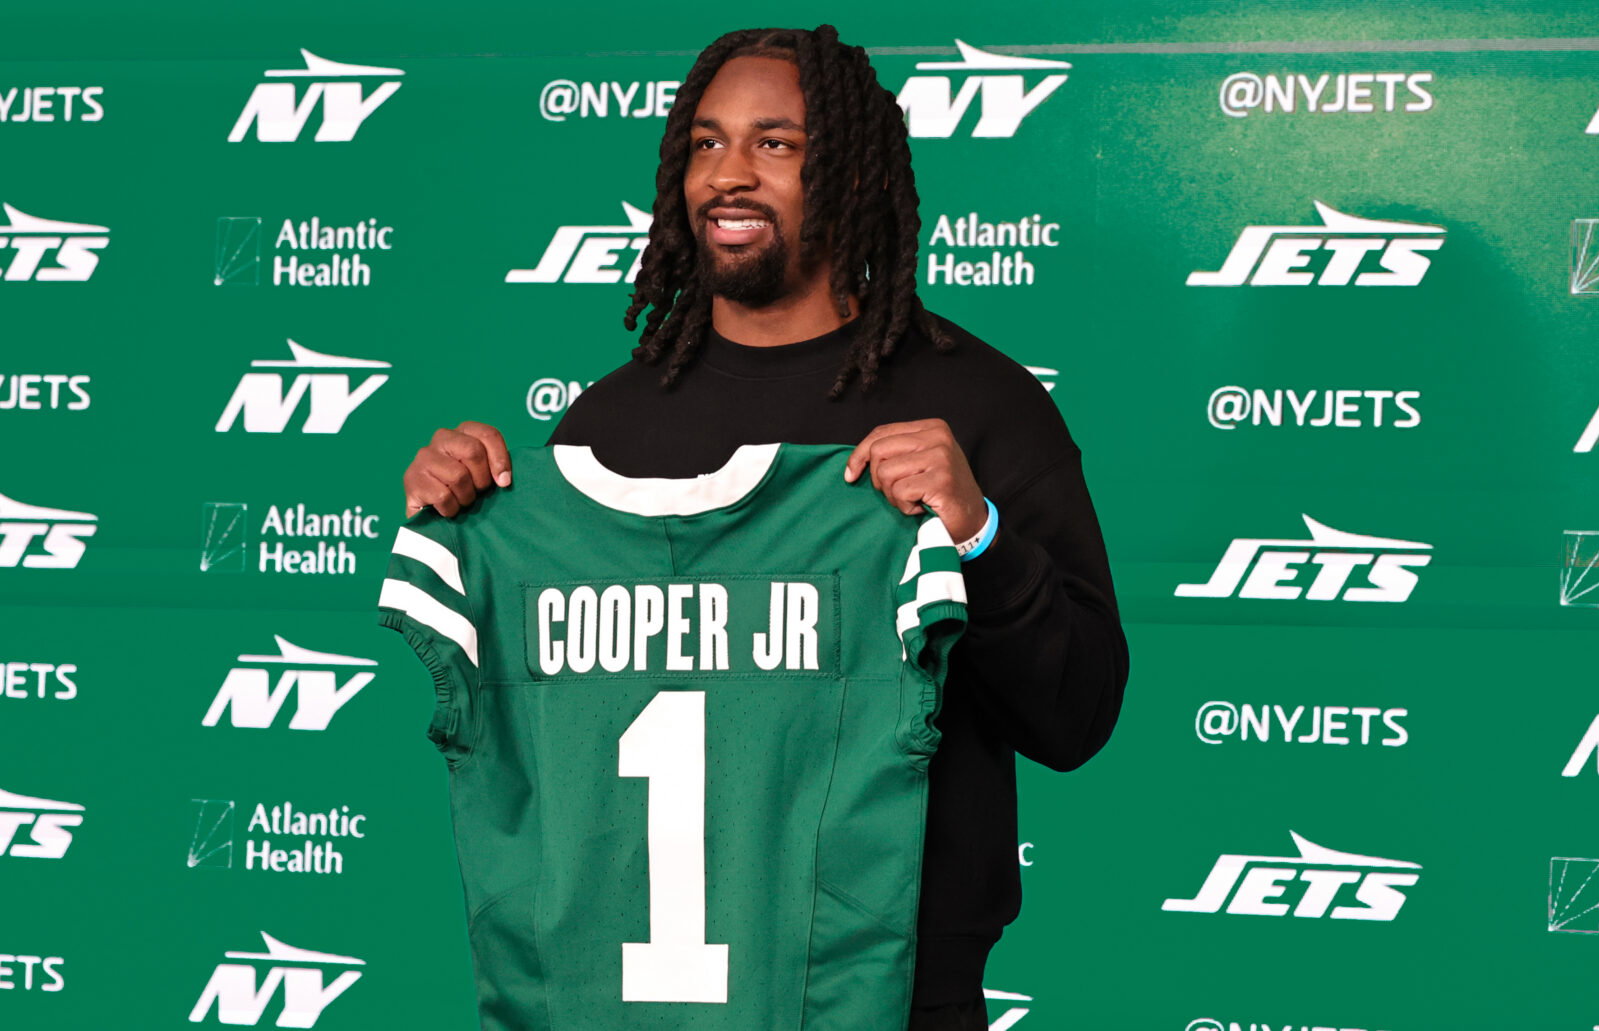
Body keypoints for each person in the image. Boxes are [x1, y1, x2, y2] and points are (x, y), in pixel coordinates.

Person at [401, 25, 1127, 1031]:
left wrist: (980, 532)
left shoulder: (978, 403)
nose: (728, 175)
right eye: (706, 143)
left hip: (894, 994)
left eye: (774, 143)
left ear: (850, 168)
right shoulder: (606, 431)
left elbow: (1077, 714)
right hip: (631, 997)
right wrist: (469, 513)